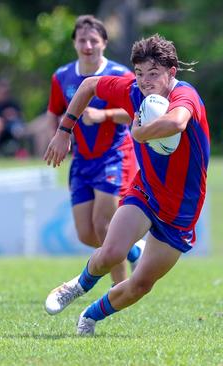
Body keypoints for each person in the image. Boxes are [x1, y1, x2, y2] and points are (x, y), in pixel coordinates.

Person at [43, 34, 210, 335]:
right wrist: (65, 130)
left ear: (172, 73)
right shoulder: (133, 91)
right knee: (111, 252)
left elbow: (176, 123)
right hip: (145, 191)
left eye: (154, 74)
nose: (145, 82)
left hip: (180, 211)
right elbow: (89, 85)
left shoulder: (185, 95)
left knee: (142, 285)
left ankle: (90, 316)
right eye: (140, 74)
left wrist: (141, 134)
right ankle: (76, 286)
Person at [44, 15, 145, 285]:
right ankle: (135, 250)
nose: (87, 45)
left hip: (115, 156)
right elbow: (53, 112)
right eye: (82, 40)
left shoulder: (121, 75)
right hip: (82, 160)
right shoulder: (62, 76)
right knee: (85, 234)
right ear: (75, 44)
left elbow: (137, 113)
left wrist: (104, 116)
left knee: (104, 226)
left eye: (93, 40)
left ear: (104, 43)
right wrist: (55, 138)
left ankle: (120, 289)